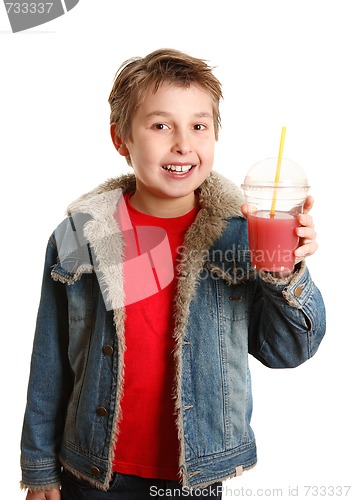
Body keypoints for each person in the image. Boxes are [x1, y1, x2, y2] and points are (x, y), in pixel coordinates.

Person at [20, 49, 326, 500]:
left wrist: (285, 274)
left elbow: (288, 351)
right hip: (89, 471)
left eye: (199, 126)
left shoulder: (244, 236)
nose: (183, 144)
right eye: (161, 125)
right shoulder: (80, 232)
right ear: (120, 139)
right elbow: (48, 359)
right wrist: (40, 467)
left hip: (193, 477)